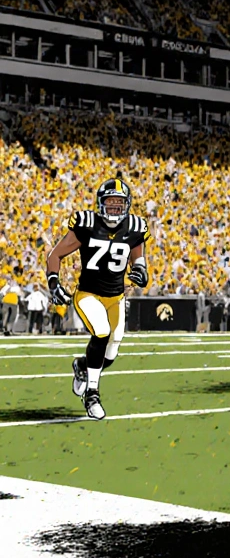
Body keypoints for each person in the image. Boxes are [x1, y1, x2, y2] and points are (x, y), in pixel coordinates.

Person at [45, 179, 150, 420]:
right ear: (100, 204)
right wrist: (53, 282)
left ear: (127, 206)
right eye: (110, 203)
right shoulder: (87, 224)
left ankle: (82, 367)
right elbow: (55, 255)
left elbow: (138, 258)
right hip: (88, 294)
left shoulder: (135, 227)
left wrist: (141, 271)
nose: (114, 208)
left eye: (119, 204)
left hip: (116, 297)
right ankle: (92, 394)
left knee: (109, 356)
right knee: (101, 332)